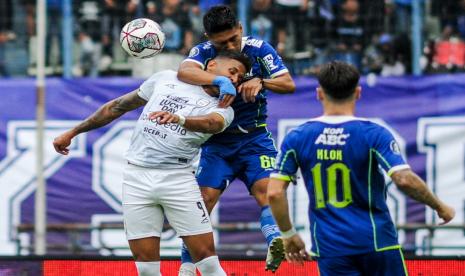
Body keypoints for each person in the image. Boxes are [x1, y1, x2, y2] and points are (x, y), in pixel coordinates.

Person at [53, 51, 251, 276]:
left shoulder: (224, 109)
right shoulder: (166, 78)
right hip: (136, 178)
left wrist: (180, 119)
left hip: (177, 179)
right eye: (232, 72)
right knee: (146, 270)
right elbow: (117, 106)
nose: (234, 79)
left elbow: (211, 124)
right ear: (212, 64)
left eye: (239, 77)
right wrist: (73, 131)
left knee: (207, 263)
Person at [267, 61, 456, 275]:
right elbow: (403, 179)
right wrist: (440, 207)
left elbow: (274, 193)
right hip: (377, 242)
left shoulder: (297, 137)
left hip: (332, 248)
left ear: (319, 93)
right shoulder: (374, 133)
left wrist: (288, 233)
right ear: (358, 92)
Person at [176, 5, 296, 274]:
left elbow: (288, 84)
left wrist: (261, 81)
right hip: (217, 143)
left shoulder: (259, 48)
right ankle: (186, 266)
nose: (231, 45)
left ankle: (275, 240)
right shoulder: (203, 52)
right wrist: (220, 80)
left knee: (268, 193)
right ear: (209, 38)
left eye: (234, 38)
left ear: (241, 28)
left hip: (254, 140)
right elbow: (184, 72)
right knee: (202, 202)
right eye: (223, 42)